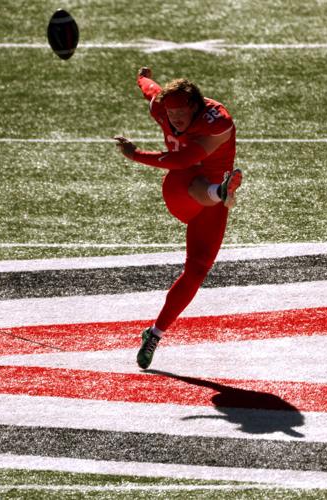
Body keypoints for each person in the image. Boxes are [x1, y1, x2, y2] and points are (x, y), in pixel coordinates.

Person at [114, 66, 242, 369]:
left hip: (208, 206)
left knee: (197, 270)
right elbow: (151, 90)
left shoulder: (217, 120)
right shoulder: (162, 107)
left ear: (197, 108)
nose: (175, 120)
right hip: (180, 190)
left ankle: (155, 334)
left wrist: (136, 154)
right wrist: (141, 76)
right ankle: (219, 191)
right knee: (194, 180)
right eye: (171, 115)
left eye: (182, 114)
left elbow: (188, 155)